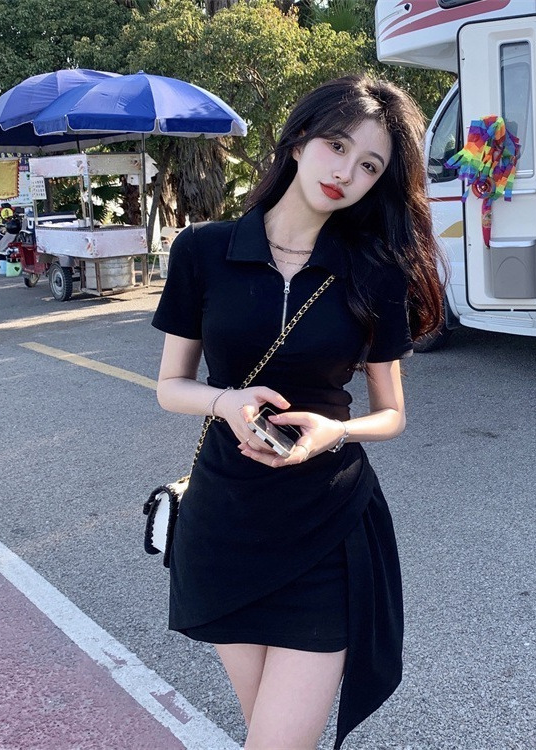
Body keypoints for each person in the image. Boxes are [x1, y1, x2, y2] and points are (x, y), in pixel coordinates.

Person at [152, 74, 445, 749]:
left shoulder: (375, 270)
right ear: (299, 140)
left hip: (327, 525)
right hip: (225, 522)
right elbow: (171, 385)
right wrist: (226, 401)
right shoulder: (203, 251)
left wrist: (335, 431)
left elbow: (391, 414)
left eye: (369, 165)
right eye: (337, 146)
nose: (346, 172)